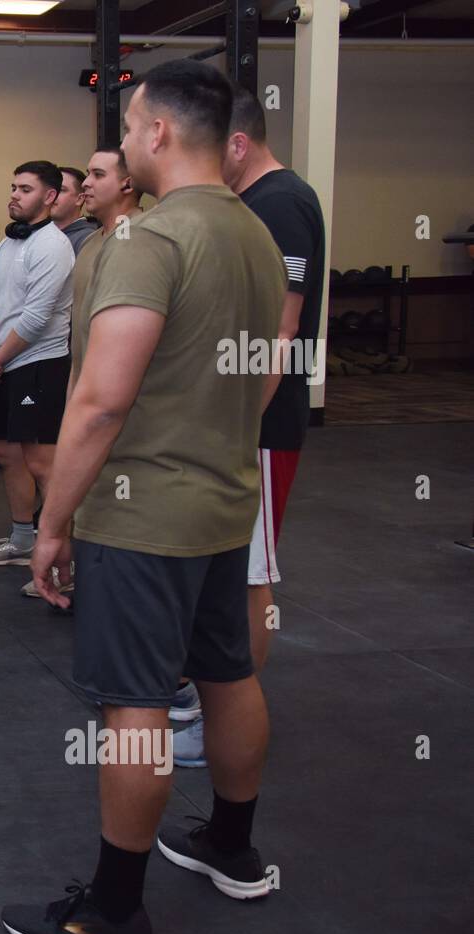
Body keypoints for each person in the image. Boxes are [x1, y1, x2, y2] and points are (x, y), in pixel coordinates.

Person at [1, 61, 285, 934]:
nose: (120, 144)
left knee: (135, 704)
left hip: (142, 516)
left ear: (158, 133)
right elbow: (263, 369)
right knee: (229, 675)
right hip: (224, 506)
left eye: (127, 126)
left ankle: (114, 912)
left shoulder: (147, 241)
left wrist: (52, 525)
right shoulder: (256, 236)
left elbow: (99, 402)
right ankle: (232, 848)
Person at [174, 87, 327, 767]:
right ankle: (214, 704)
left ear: (237, 145)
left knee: (251, 574)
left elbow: (282, 331)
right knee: (229, 569)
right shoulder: (250, 206)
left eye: (213, 151)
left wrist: (238, 423)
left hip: (261, 425)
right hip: (241, 421)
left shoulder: (283, 203)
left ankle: (230, 719)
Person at [20, 146, 142, 604]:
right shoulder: (91, 245)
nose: (86, 184)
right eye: (85, 176)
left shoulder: (143, 241)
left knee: (122, 508)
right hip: (83, 391)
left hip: (125, 410)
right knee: (88, 494)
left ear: (127, 184)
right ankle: (79, 578)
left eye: (95, 175)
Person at [0, 161, 74, 569]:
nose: (14, 194)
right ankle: (21, 540)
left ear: (49, 197)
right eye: (13, 186)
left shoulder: (52, 246)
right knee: (7, 453)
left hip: (40, 364)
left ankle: (60, 556)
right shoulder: (8, 244)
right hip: (3, 364)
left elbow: (36, 318)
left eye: (26, 189)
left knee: (40, 461)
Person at [51, 166, 100, 255]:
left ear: (80, 199)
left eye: (61, 190)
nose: (51, 196)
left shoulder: (87, 238)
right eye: (50, 190)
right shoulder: (39, 233)